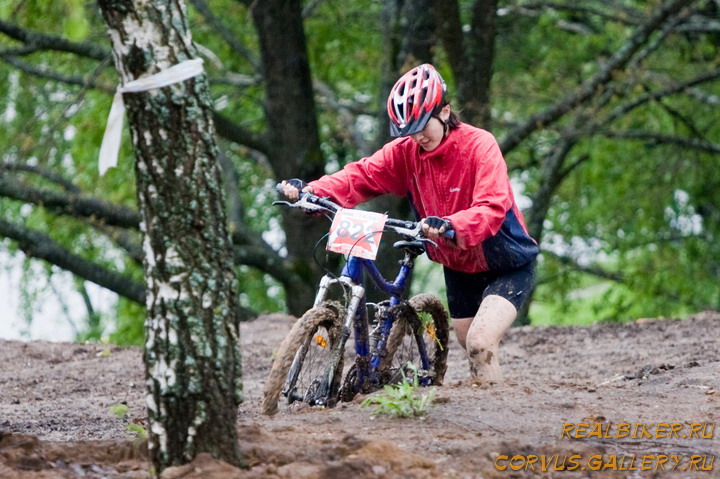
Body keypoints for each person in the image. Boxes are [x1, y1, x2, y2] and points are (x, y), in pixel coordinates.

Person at [279, 63, 539, 383]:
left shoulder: (479, 145)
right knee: (465, 340)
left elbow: (492, 206)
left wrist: (451, 224)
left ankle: (497, 410)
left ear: (444, 112)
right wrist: (313, 191)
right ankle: (485, 396)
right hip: (458, 265)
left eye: (421, 126)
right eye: (409, 130)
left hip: (506, 261)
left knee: (479, 343)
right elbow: (361, 175)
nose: (417, 136)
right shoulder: (407, 152)